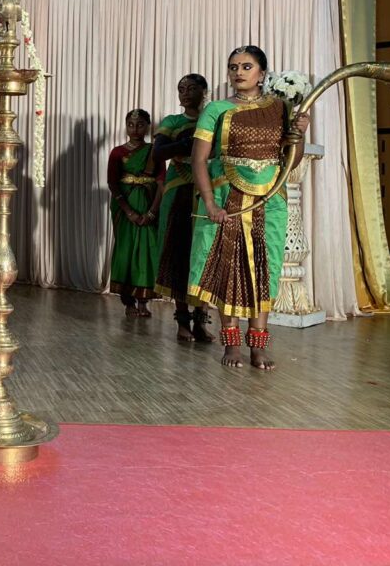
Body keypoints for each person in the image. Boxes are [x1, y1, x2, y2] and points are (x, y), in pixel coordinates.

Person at [188, 45, 311, 371]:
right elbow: (198, 159)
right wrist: (210, 203)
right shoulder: (216, 109)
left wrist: (299, 134)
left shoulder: (281, 108)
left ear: (262, 73)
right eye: (233, 67)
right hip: (226, 196)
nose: (238, 72)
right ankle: (232, 344)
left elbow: (291, 160)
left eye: (246, 66)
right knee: (227, 269)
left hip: (269, 200)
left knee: (265, 270)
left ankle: (258, 346)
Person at [152, 74, 212, 343]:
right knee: (179, 254)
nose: (185, 93)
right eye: (181, 89)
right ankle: (182, 321)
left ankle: (201, 320)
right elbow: (158, 153)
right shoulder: (173, 122)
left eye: (192, 88)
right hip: (178, 192)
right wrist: (187, 144)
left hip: (208, 192)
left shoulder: (213, 118)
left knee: (204, 254)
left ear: (204, 91)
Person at [107, 109, 164, 318]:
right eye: (131, 125)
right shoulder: (117, 152)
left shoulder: (155, 151)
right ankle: (128, 301)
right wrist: (129, 212)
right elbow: (113, 183)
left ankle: (143, 301)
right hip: (125, 209)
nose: (135, 129)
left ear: (147, 127)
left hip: (149, 205)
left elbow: (162, 183)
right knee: (126, 251)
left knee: (147, 252)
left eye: (140, 124)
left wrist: (152, 212)